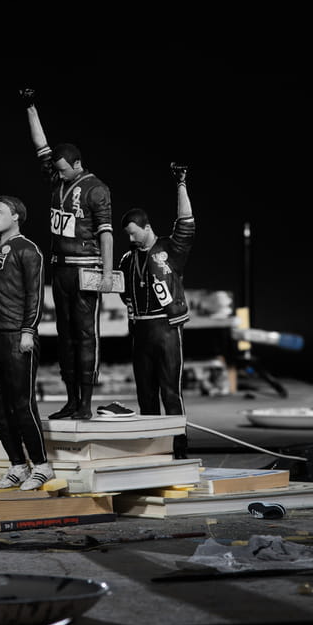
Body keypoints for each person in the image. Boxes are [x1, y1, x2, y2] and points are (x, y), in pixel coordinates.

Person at [19, 88, 115, 421]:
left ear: (77, 164)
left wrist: (106, 272)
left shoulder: (97, 189)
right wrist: (31, 106)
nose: (57, 173)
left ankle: (86, 403)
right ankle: (71, 400)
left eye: (62, 169)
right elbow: (40, 145)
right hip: (59, 270)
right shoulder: (57, 180)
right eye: (56, 170)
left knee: (86, 335)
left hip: (85, 269)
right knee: (64, 337)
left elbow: (106, 231)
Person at [0, 195, 53, 489]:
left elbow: (36, 294)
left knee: (22, 403)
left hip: (17, 336)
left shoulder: (29, 250)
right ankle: (18, 464)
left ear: (16, 216)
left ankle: (42, 465)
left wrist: (29, 330)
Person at [118, 162, 196, 458]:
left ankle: (179, 449)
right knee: (145, 395)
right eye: (127, 234)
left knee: (170, 392)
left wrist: (181, 185)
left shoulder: (169, 249)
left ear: (147, 227)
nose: (131, 238)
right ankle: (153, 451)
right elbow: (124, 291)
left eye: (135, 232)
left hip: (166, 327)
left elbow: (186, 223)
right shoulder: (126, 259)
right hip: (141, 332)